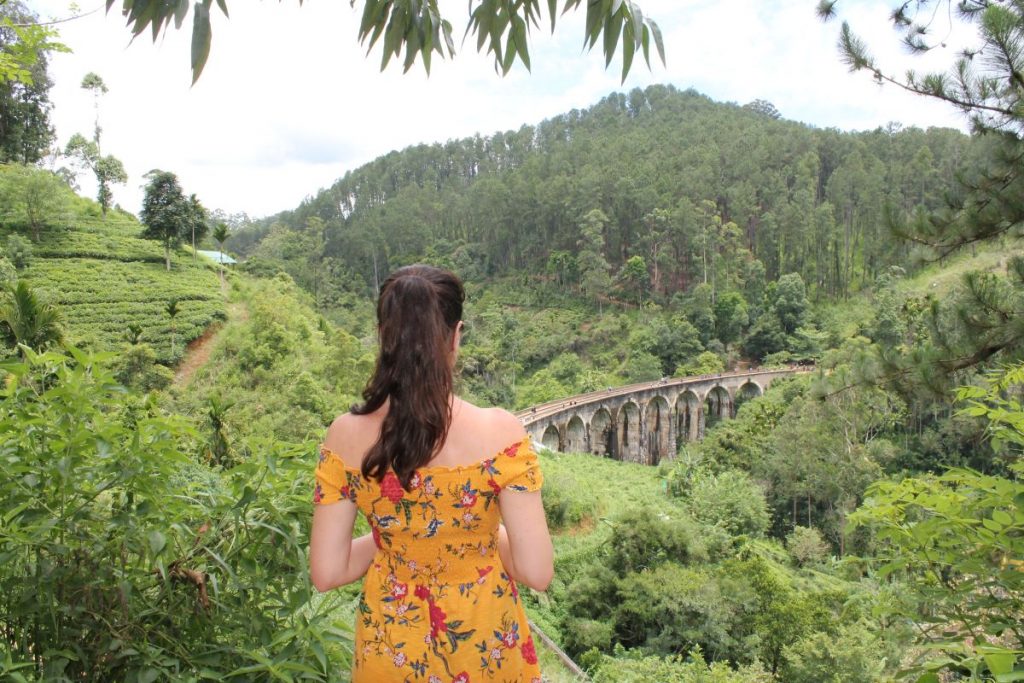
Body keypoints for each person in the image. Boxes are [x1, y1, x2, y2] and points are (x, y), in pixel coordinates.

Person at [310, 264, 553, 683]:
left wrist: (399, 540)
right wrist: (470, 534)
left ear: (384, 335)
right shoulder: (501, 432)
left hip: (391, 650)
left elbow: (328, 573)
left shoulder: (344, 436)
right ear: (455, 335)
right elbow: (536, 572)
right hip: (484, 647)